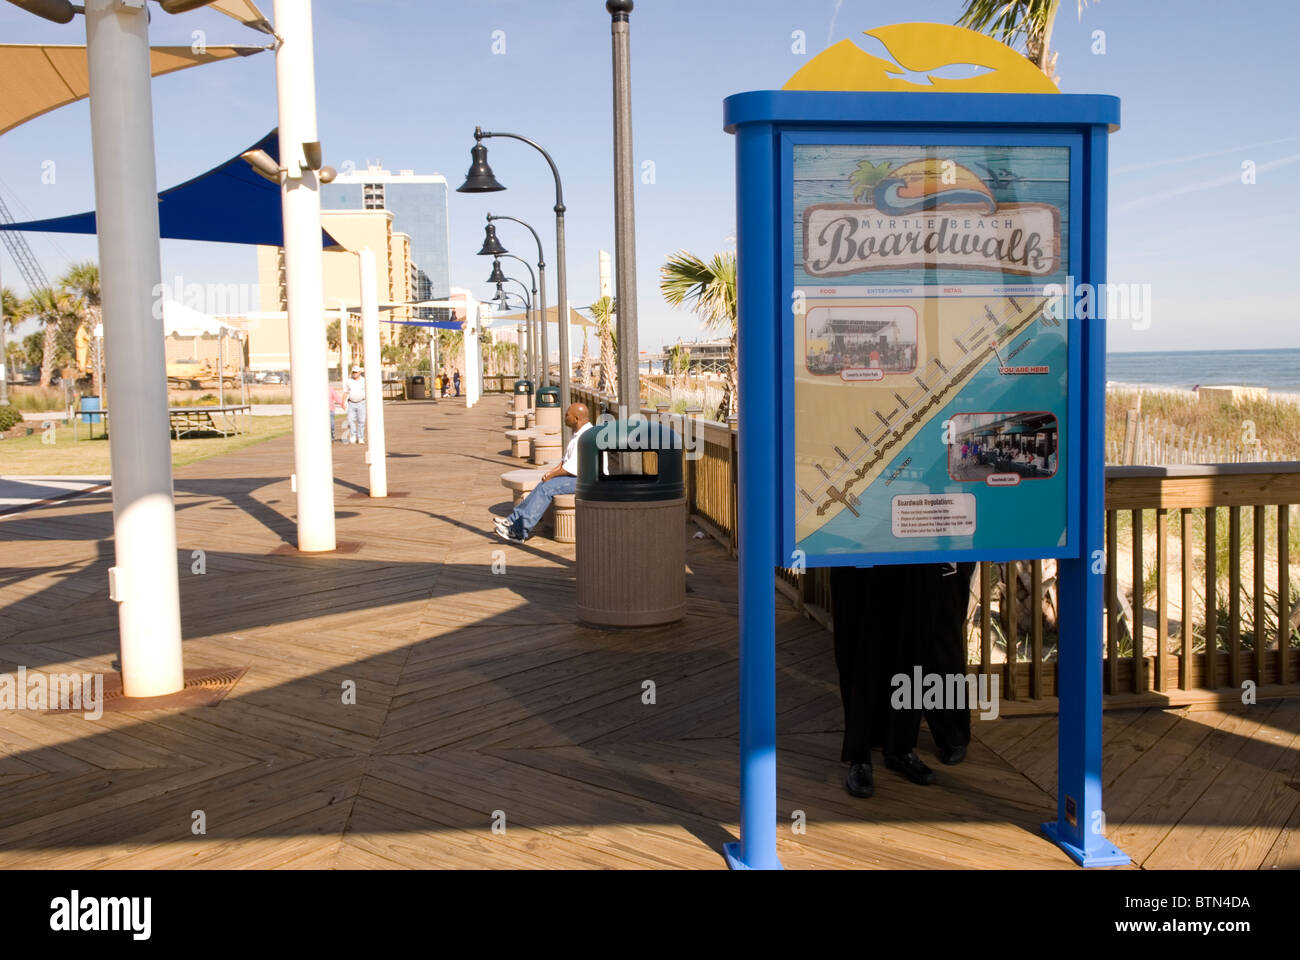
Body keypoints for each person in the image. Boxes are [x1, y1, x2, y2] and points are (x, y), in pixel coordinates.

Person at [830, 562, 975, 799]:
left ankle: (901, 748)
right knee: (860, 649)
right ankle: (860, 757)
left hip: (914, 546)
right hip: (857, 547)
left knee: (913, 643)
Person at [495, 403, 591, 542]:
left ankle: (519, 532)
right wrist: (551, 472)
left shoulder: (584, 437)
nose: (564, 417)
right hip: (579, 476)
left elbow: (572, 469)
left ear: (576, 419)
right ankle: (513, 520)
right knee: (544, 484)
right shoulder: (579, 433)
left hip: (586, 481)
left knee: (547, 488)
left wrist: (552, 475)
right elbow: (565, 461)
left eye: (567, 415)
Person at [345, 367, 366, 444]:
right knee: (350, 420)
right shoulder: (349, 381)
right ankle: (353, 435)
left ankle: (361, 437)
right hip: (351, 403)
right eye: (354, 372)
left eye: (356, 372)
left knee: (361, 421)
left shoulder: (364, 381)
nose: (355, 373)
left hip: (361, 402)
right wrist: (342, 402)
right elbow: (346, 392)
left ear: (359, 372)